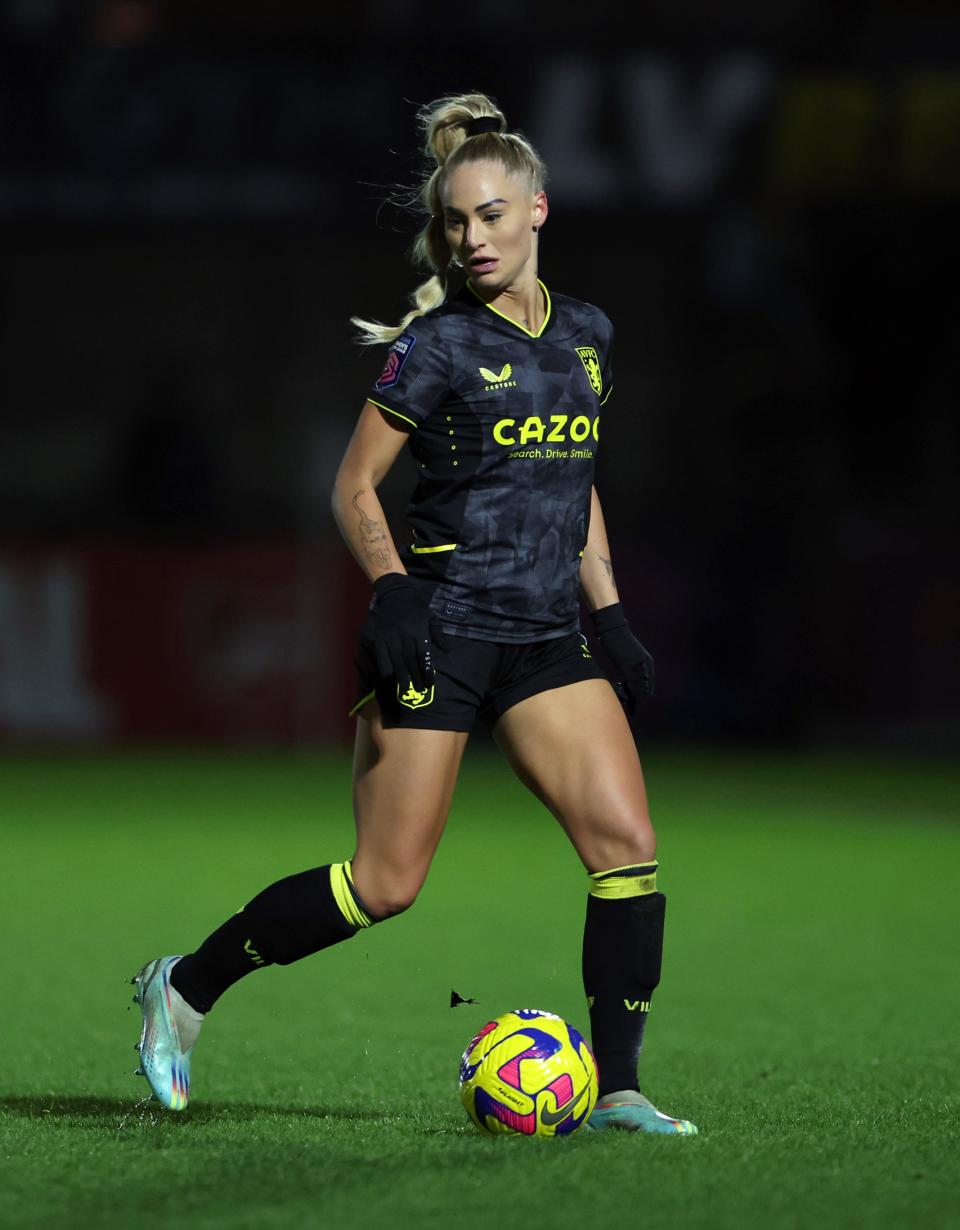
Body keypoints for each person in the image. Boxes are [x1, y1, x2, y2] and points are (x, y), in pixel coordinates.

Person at [133, 92, 697, 1136]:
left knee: (627, 845)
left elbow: (573, 482)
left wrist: (609, 614)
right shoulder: (434, 346)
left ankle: (618, 1089)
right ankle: (184, 988)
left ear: (539, 209)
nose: (472, 237)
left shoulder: (588, 335)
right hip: (438, 626)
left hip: (542, 635)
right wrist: (391, 588)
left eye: (491, 215)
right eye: (456, 221)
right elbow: (354, 488)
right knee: (386, 886)